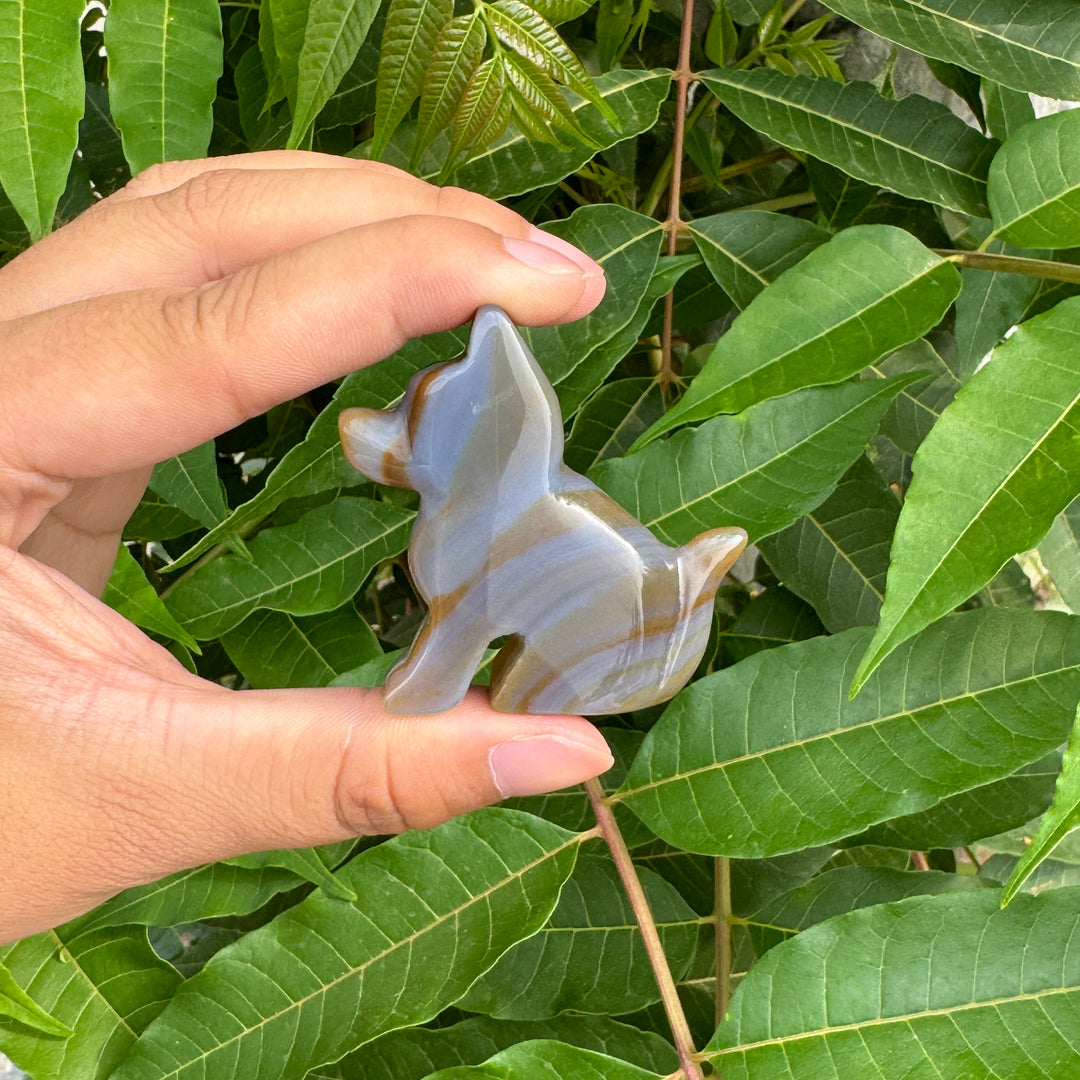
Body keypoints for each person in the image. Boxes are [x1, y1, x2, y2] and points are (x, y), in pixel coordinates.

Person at [0, 151, 615, 944]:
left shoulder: (478, 534)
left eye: (411, 433)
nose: (367, 432)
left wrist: (424, 698)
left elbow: (462, 624)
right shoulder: (475, 517)